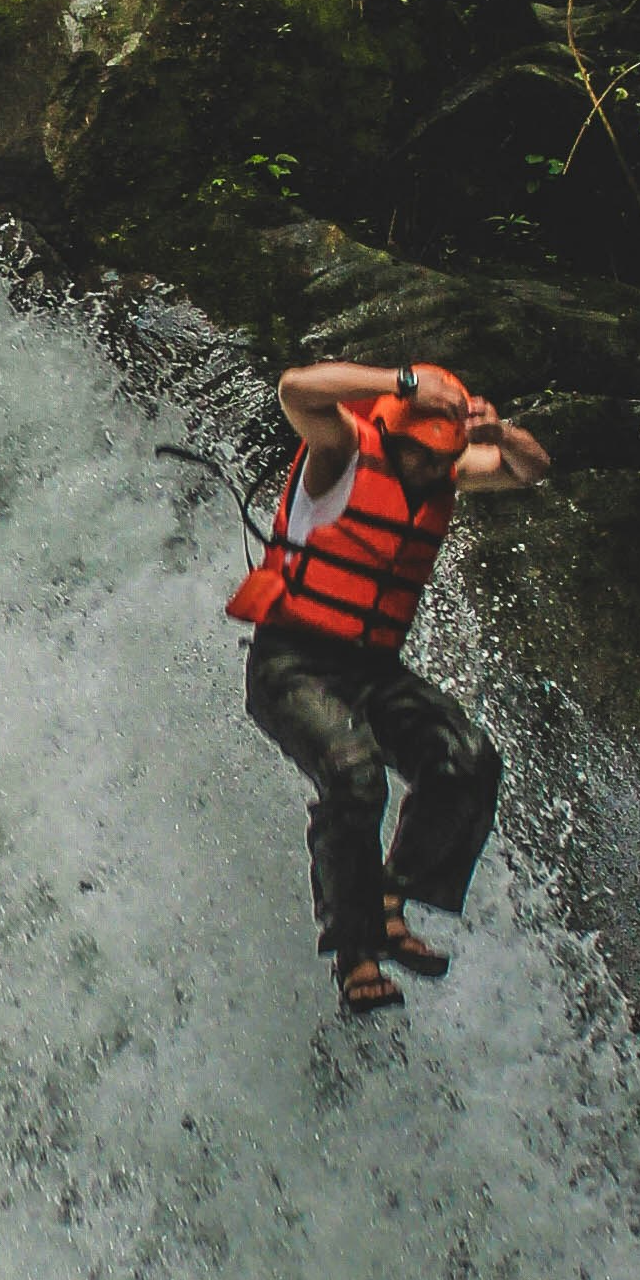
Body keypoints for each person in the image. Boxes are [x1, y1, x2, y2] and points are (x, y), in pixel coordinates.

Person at [230, 358, 550, 1018]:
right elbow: (295, 387)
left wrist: (501, 429)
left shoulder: (447, 471)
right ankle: (356, 956)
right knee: (356, 776)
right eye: (422, 456)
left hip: (370, 671)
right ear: (396, 438)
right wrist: (399, 384)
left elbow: (532, 469)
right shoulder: (342, 450)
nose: (434, 471)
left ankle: (389, 898)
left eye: (444, 459)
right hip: (290, 664)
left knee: (467, 759)